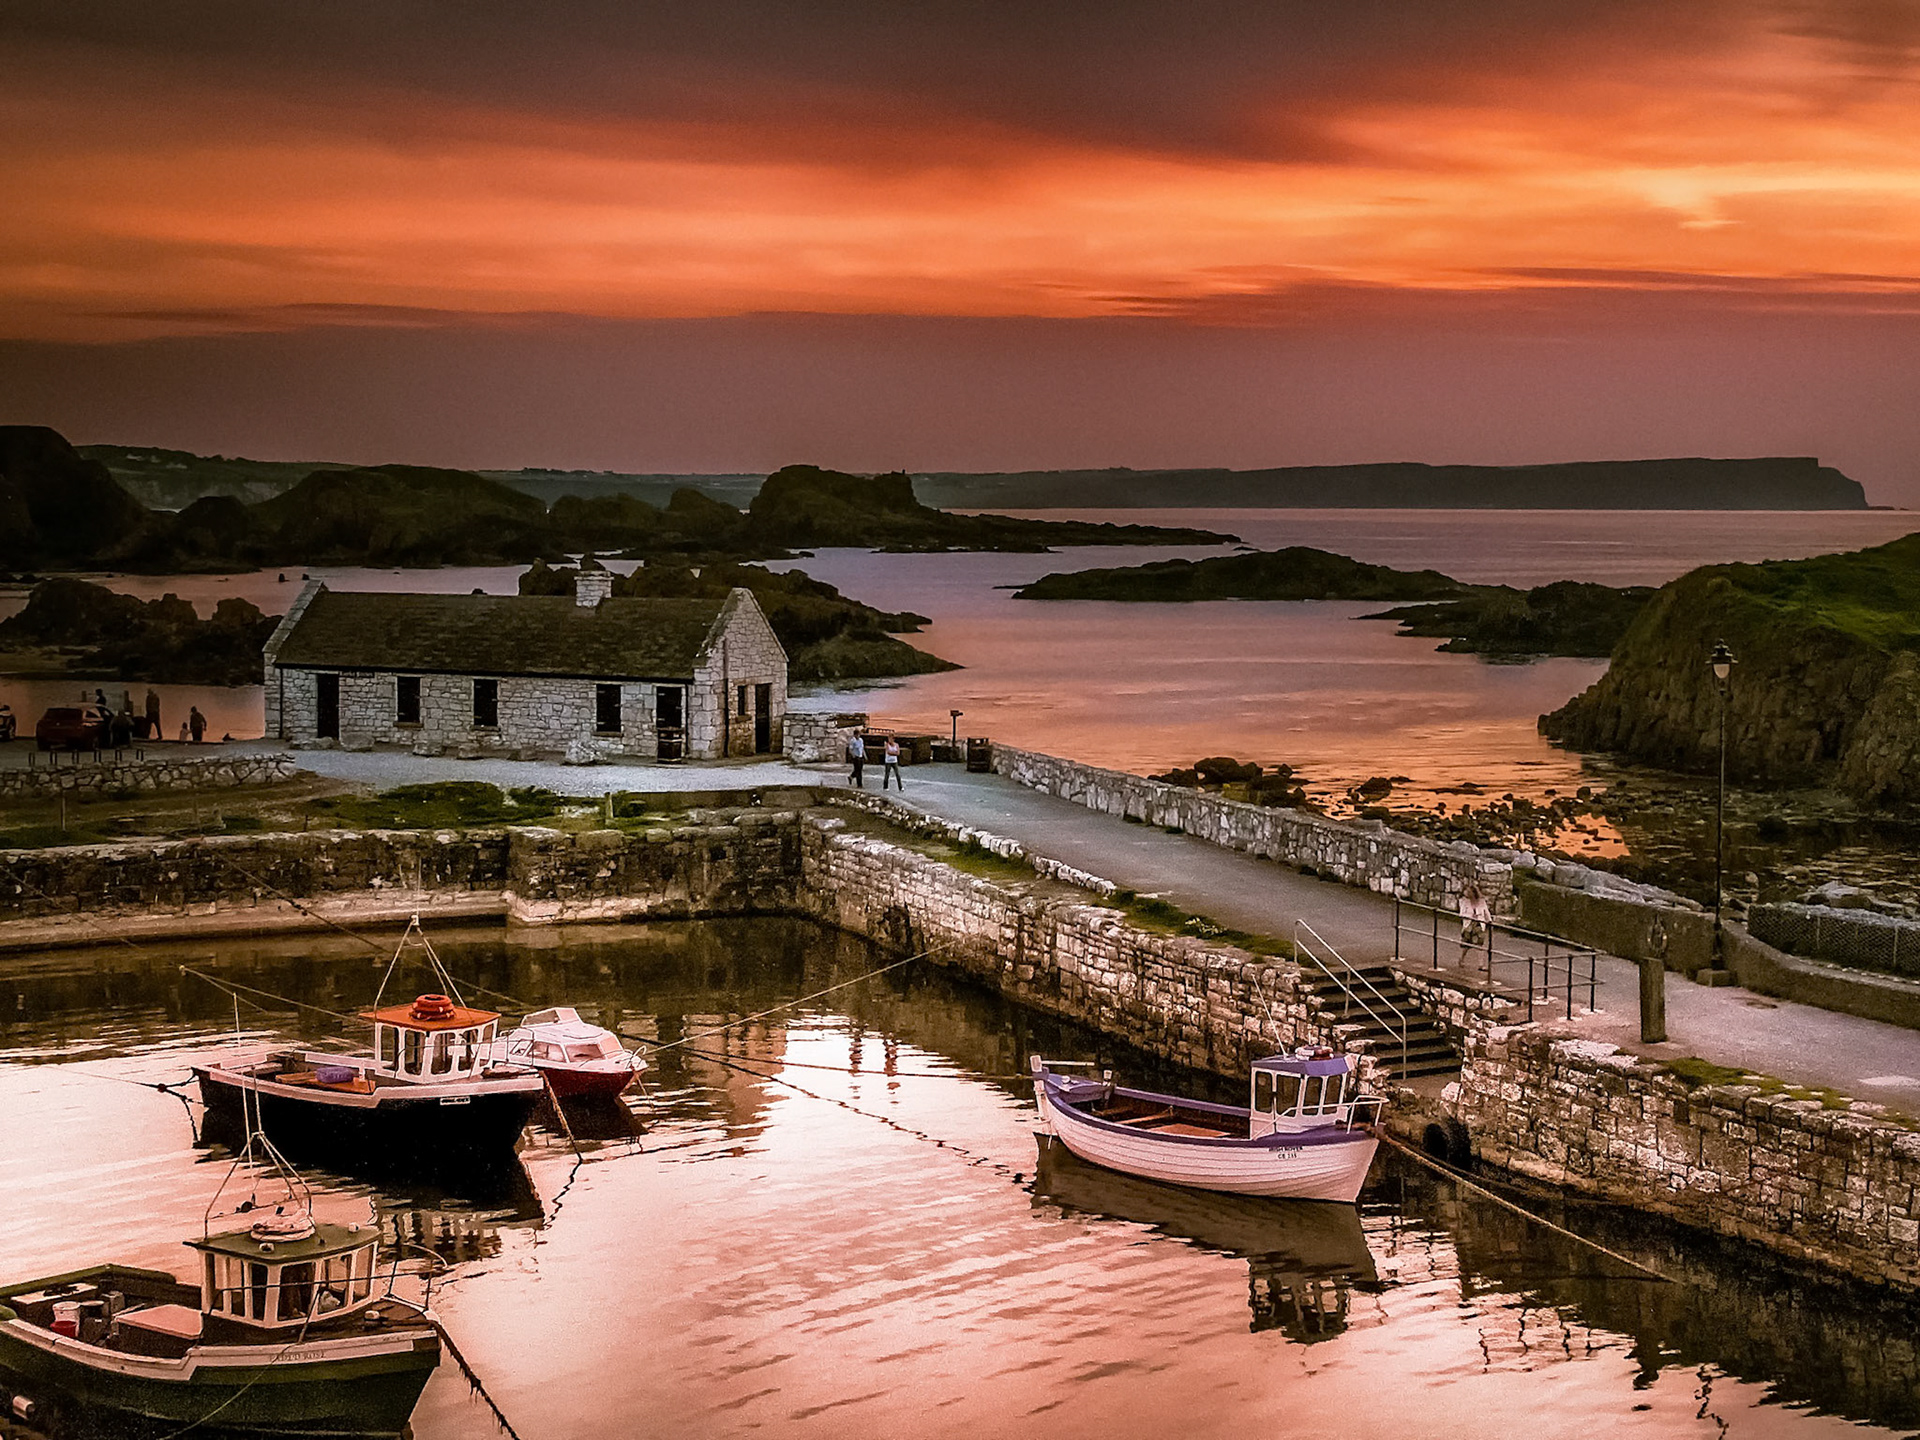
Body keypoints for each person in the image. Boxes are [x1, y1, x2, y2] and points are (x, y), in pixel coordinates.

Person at [1457, 880, 1493, 960]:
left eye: (1469, 892)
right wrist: (1470, 916)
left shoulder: (1481, 901)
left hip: (1479, 924)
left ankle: (1481, 964)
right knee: (1466, 944)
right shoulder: (1464, 901)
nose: (1467, 894)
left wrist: (1489, 921)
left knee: (1479, 944)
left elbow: (1486, 912)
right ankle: (1461, 958)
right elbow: (1461, 913)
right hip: (1469, 924)